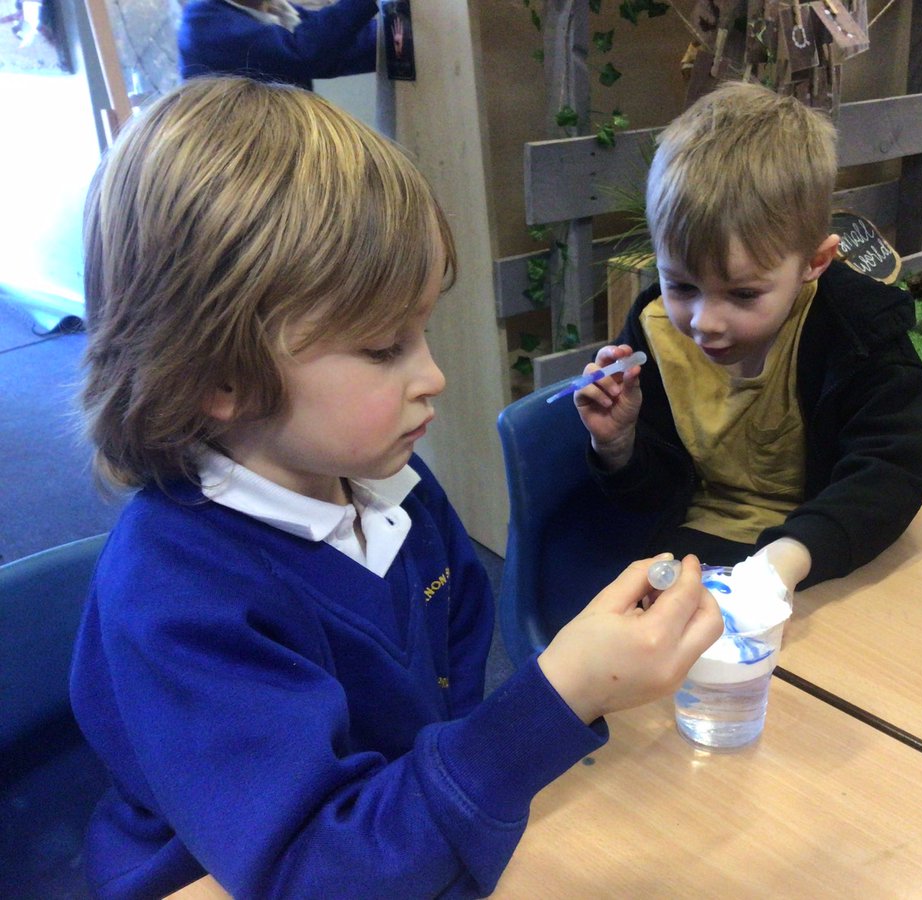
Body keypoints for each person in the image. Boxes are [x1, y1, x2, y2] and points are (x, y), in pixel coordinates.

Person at [70, 77, 722, 900]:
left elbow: (442, 728)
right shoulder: (179, 598)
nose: (435, 376)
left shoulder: (399, 497)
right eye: (385, 348)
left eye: (423, 333)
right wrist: (564, 691)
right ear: (218, 378)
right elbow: (308, 871)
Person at [574, 80, 922, 597]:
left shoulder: (861, 333)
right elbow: (648, 497)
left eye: (742, 294)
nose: (705, 322)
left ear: (814, 263)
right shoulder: (652, 331)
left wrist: (787, 559)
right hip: (697, 549)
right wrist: (618, 443)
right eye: (681, 285)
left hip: (824, 548)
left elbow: (891, 474)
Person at [177, 0, 377, 90]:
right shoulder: (203, 22)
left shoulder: (274, 9)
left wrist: (401, 31)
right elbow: (303, 53)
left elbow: (339, 50)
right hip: (236, 160)